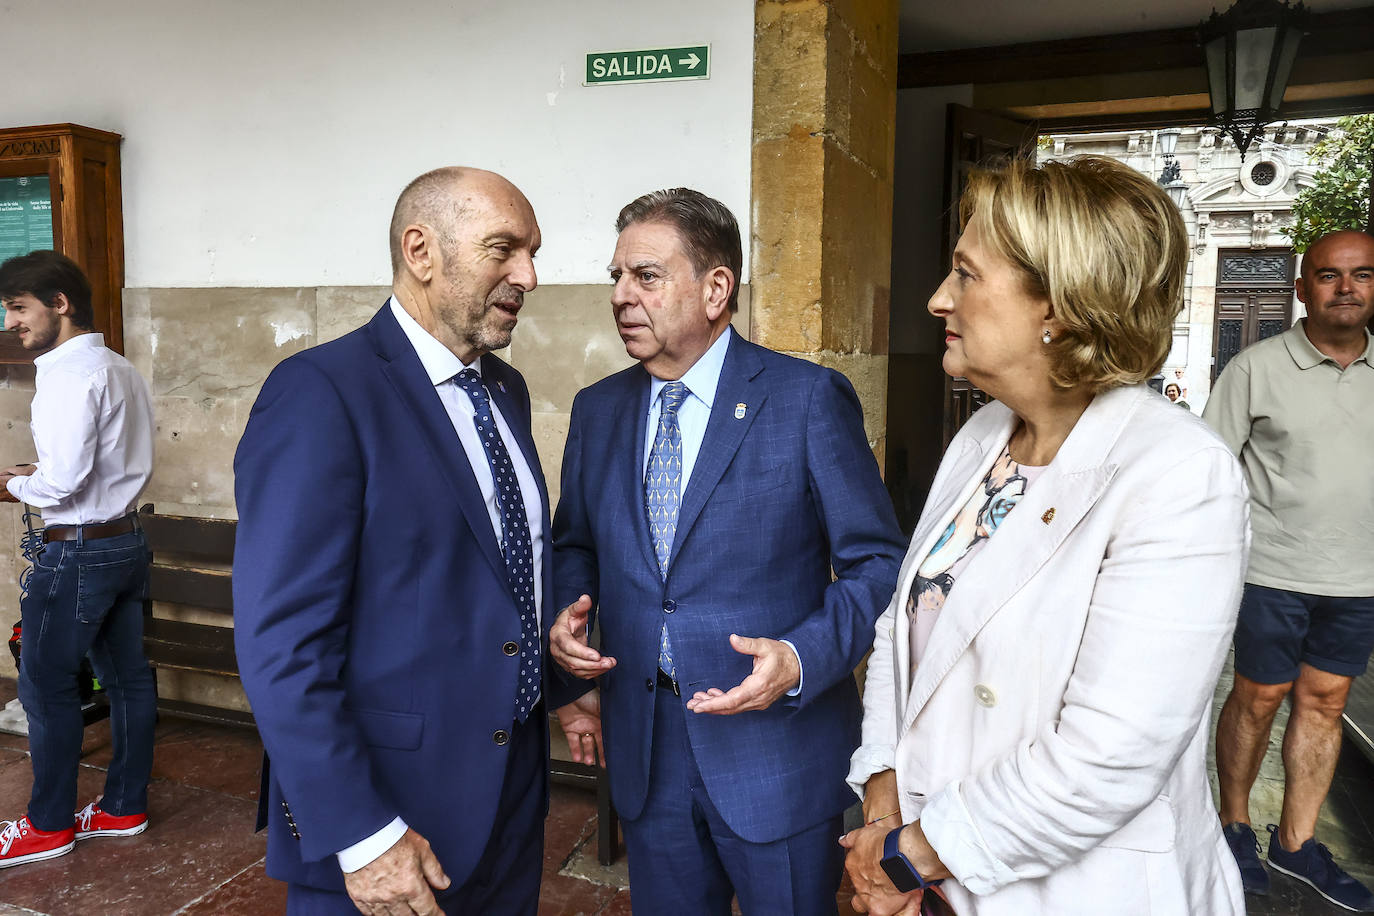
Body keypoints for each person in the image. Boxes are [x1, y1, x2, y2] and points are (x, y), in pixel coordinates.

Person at [842, 156, 1249, 915]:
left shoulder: (1179, 474)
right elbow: (905, 629)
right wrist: (883, 802)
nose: (937, 299)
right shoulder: (985, 434)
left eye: (965, 275)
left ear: (1059, 305)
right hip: (930, 865)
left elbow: (1108, 760)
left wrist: (907, 858)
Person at [232, 167, 591, 915]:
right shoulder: (321, 392)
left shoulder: (505, 390)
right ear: (420, 250)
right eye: (505, 249)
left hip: (511, 797)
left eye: (533, 253)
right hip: (388, 820)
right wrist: (362, 836)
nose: (528, 274)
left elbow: (489, 571)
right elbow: (281, 644)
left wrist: (550, 646)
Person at [550, 188, 905, 915]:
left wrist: (801, 657)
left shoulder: (805, 400)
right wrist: (571, 626)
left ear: (717, 288)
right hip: (648, 749)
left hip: (775, 751)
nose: (621, 296)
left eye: (645, 276)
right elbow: (576, 545)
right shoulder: (598, 409)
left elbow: (878, 566)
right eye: (616, 277)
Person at [1206, 229, 1374, 911]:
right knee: (1259, 698)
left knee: (1325, 702)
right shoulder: (1255, 368)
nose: (1346, 288)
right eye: (1329, 276)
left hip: (1358, 581)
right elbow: (1211, 473)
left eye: (1361, 274)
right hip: (1271, 571)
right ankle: (1234, 827)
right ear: (1302, 288)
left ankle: (1297, 843)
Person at [0, 250, 156, 866]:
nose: (12, 321)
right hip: (125, 541)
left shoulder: (65, 375)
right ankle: (123, 807)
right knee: (128, 682)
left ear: (59, 304)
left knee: (45, 687)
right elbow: (104, 464)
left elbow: (64, 483)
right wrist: (36, 474)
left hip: (78, 553)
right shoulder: (117, 366)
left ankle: (47, 826)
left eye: (19, 307)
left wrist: (12, 485)